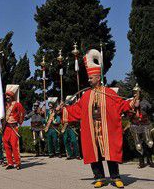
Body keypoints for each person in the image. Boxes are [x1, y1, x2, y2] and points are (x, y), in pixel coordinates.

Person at [56, 49, 138, 188]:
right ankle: (99, 177)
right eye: (88, 78)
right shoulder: (86, 95)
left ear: (98, 78)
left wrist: (132, 103)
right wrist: (62, 111)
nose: (89, 80)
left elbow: (121, 105)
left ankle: (115, 177)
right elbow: (76, 110)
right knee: (95, 154)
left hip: (107, 128)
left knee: (110, 153)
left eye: (91, 78)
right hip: (92, 129)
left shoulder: (109, 93)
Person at [129, 86, 154, 168]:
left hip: (145, 124)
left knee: (149, 143)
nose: (135, 94)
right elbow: (128, 113)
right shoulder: (130, 102)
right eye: (134, 92)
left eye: (136, 92)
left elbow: (150, 111)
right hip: (135, 125)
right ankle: (141, 162)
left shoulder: (146, 102)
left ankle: (150, 160)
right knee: (138, 145)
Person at [2, 84, 25, 170]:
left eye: (9, 95)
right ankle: (10, 162)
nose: (7, 97)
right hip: (6, 127)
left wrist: (19, 122)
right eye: (6, 95)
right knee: (6, 144)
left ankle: (17, 163)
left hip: (13, 127)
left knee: (14, 145)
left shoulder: (17, 104)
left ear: (12, 96)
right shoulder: (4, 105)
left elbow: (21, 114)